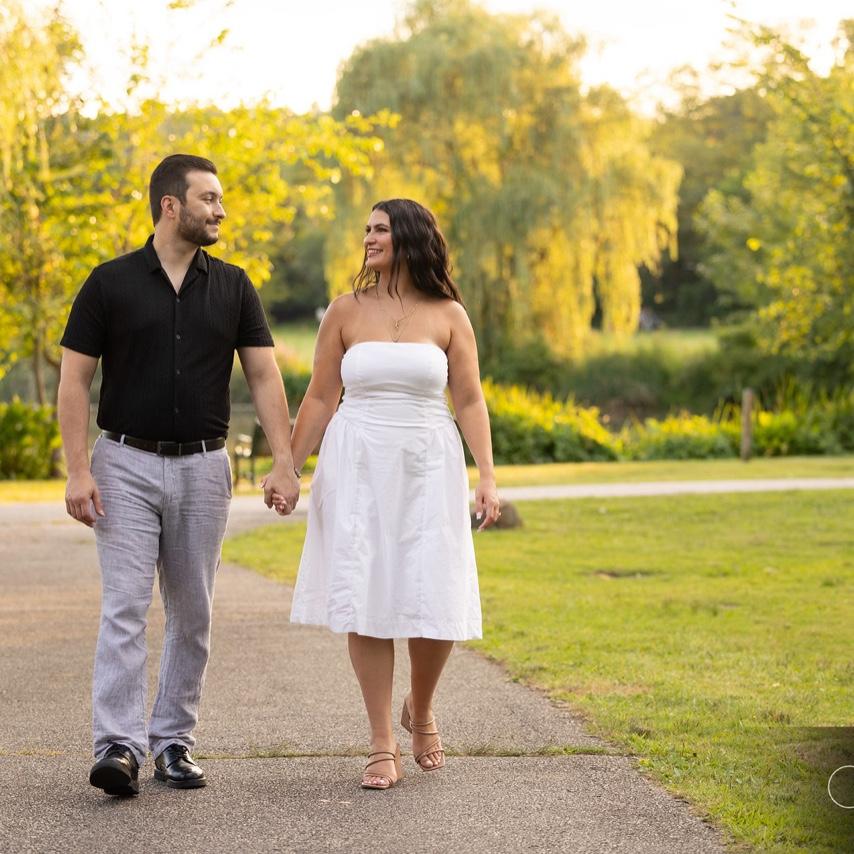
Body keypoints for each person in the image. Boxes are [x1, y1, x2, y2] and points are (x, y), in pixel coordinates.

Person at [58, 153, 300, 797]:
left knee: (193, 612)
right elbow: (74, 380)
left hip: (203, 466)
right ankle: (118, 745)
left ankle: (172, 742)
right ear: (171, 205)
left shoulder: (234, 286)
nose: (221, 210)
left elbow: (263, 375)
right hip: (124, 465)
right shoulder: (108, 283)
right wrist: (78, 470)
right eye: (209, 199)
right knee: (125, 607)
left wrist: (284, 460)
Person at [281, 198, 500, 790]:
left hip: (429, 463)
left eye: (380, 229)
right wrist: (288, 468)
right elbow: (320, 396)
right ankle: (382, 742)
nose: (368, 238)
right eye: (367, 229)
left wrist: (487, 475)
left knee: (435, 590)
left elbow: (469, 398)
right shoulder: (345, 311)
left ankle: (420, 711)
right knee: (366, 592)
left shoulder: (448, 314)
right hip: (358, 463)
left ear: (408, 237)